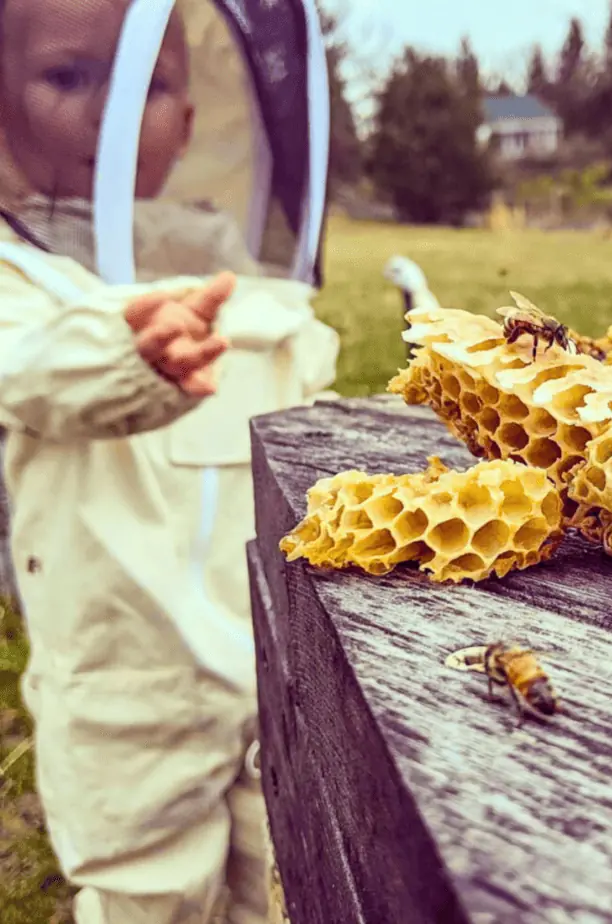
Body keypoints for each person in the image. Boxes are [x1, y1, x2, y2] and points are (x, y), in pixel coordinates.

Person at [0, 0, 340, 920]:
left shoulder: (217, 257)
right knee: (149, 888)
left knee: (284, 872)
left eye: (146, 84)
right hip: (127, 678)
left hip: (271, 651)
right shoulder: (15, 272)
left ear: (190, 119)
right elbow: (29, 364)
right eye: (69, 77)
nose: (111, 114)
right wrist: (131, 358)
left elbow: (292, 391)